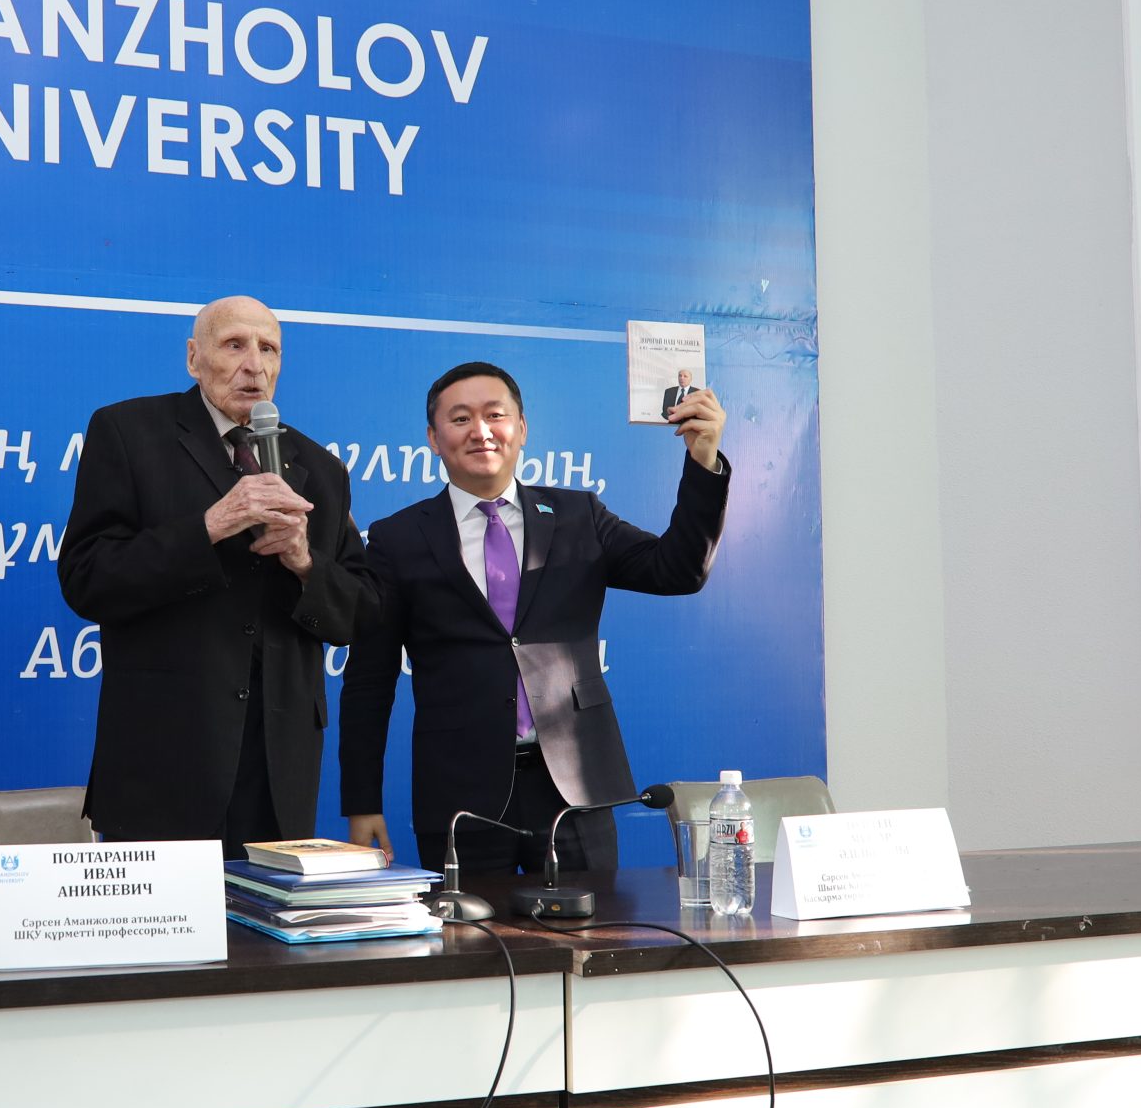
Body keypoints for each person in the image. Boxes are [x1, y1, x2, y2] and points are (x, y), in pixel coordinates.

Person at [339, 361, 728, 876]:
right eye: (460, 419)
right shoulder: (397, 538)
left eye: (495, 415)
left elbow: (678, 570)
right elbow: (369, 680)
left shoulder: (578, 515)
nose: (481, 431)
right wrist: (362, 803)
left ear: (521, 429)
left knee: (595, 928)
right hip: (460, 798)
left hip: (576, 790)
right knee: (468, 930)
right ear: (433, 438)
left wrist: (703, 460)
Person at [59, 296, 374, 850]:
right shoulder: (128, 432)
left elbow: (360, 615)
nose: (254, 364)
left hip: (278, 772)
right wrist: (209, 526)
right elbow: (87, 578)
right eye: (234, 345)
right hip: (164, 762)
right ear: (193, 357)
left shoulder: (321, 469)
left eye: (268, 349)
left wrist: (304, 562)